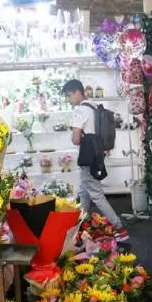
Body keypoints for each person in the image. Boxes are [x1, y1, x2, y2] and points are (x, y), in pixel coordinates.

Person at [62, 79, 128, 241]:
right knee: (84, 193)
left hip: (87, 157)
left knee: (96, 195)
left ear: (77, 92)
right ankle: (78, 227)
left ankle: (119, 228)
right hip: (97, 154)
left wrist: (73, 135)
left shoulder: (80, 110)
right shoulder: (94, 106)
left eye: (69, 95)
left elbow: (76, 139)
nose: (69, 99)